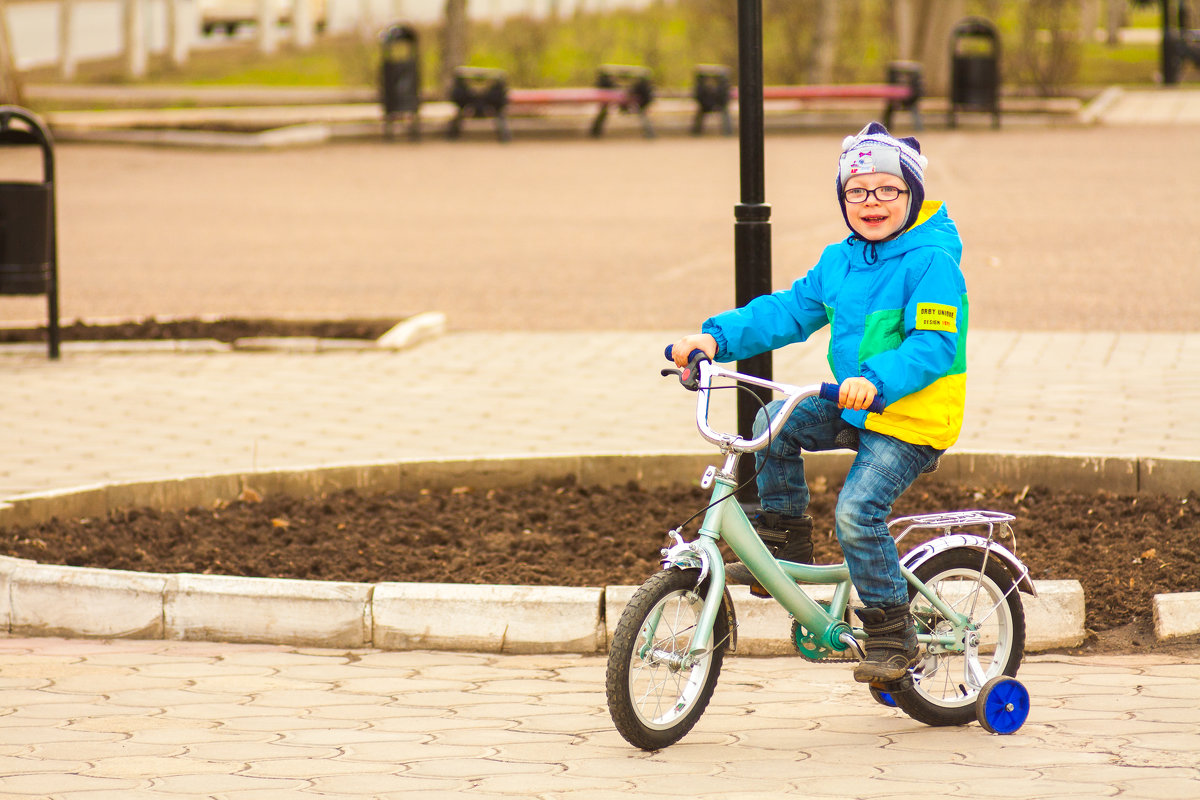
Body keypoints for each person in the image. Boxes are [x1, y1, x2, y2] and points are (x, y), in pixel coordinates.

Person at [670, 121, 968, 684]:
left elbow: (933, 344)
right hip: (856, 405)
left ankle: (890, 633)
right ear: (842, 199)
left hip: (910, 416)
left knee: (857, 513)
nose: (871, 202)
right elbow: (786, 312)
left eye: (887, 190)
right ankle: (785, 535)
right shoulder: (840, 261)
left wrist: (876, 380)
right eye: (856, 191)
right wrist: (714, 339)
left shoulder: (931, 262)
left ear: (912, 194)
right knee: (771, 421)